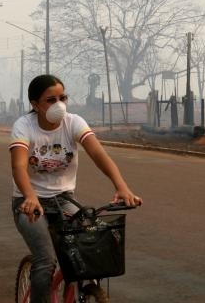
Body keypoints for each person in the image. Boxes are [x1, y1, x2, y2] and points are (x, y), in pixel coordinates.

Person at [9, 74, 143, 303]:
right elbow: (19, 165)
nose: (59, 104)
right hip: (29, 203)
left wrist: (122, 187)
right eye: (51, 100)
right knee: (46, 261)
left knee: (90, 246)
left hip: (65, 199)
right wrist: (30, 197)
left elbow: (98, 154)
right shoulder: (24, 126)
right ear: (35, 104)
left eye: (63, 97)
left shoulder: (74, 122)